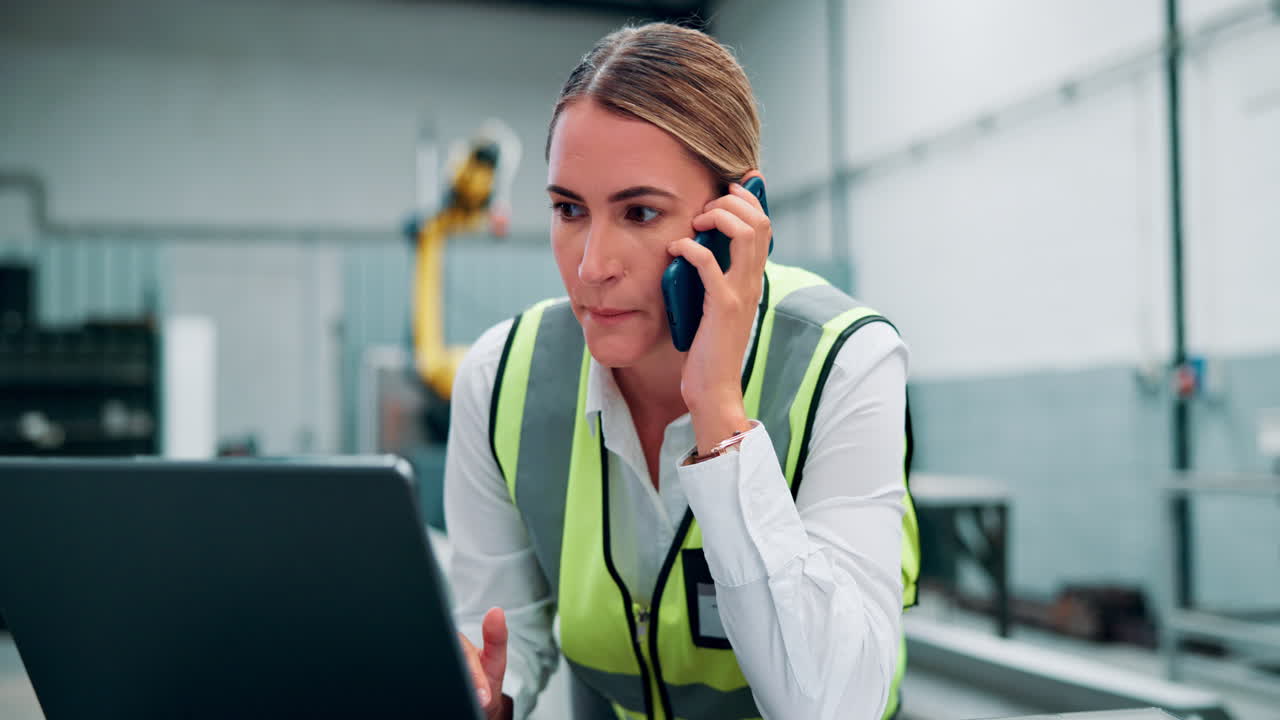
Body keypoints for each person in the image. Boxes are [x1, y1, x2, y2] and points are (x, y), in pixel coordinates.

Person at [445, 22, 919, 720]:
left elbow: (838, 704)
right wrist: (484, 694)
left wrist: (720, 414)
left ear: (738, 217)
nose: (591, 265)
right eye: (569, 209)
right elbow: (504, 637)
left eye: (639, 212)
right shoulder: (500, 379)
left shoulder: (843, 365)